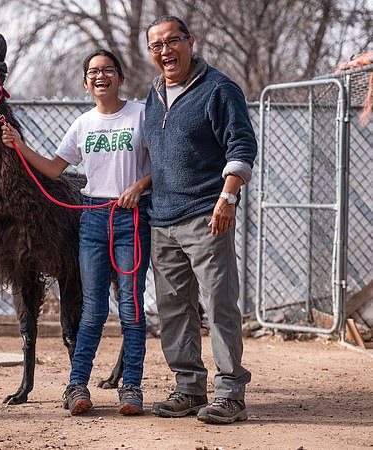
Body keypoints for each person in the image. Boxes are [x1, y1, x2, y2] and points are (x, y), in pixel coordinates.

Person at [1, 50, 152, 416]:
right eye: (93, 72)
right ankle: (76, 385)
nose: (100, 76)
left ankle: (131, 387)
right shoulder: (83, 124)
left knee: (131, 309)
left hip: (131, 219)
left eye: (108, 70)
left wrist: (140, 185)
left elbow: (164, 163)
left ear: (120, 77)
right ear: (86, 82)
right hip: (93, 220)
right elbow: (54, 169)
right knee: (93, 310)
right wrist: (20, 147)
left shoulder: (141, 114)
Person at [143, 16, 256, 424]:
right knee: (173, 309)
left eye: (173, 42)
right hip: (162, 218)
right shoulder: (153, 94)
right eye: (156, 46)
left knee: (220, 304)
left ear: (191, 42)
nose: (165, 51)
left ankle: (230, 394)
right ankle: (188, 387)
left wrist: (228, 197)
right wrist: (142, 187)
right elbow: (159, 158)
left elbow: (241, 145)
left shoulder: (219, 89)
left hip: (208, 216)